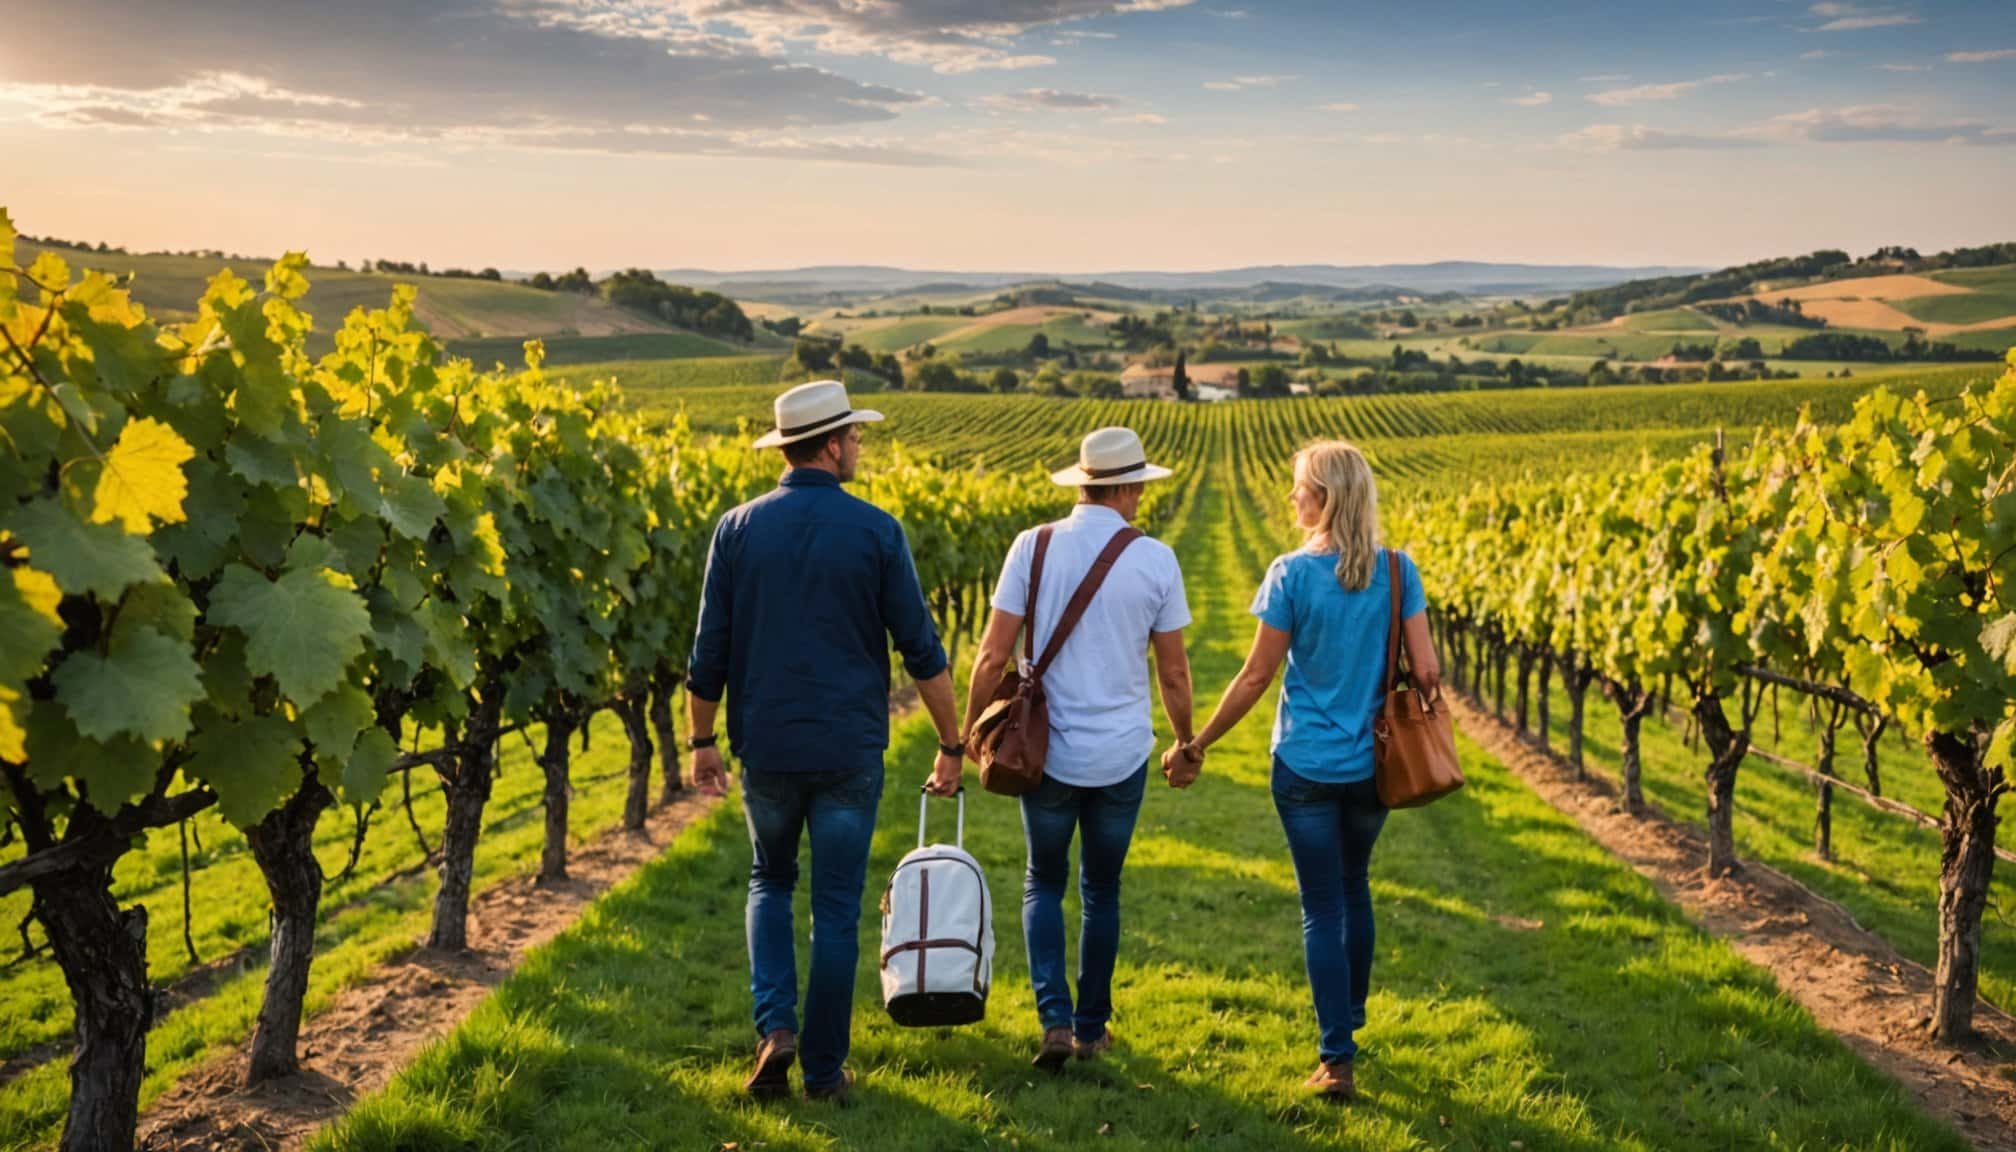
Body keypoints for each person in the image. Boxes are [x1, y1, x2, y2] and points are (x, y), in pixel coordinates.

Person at [687, 379, 968, 1105]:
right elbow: (922, 651)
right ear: (834, 444)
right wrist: (951, 741)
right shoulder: (877, 530)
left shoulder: (737, 528)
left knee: (769, 881)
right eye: (856, 437)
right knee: (837, 908)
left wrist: (701, 739)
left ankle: (774, 1028)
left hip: (768, 747)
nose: (860, 447)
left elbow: (708, 649)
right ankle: (822, 1070)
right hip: (848, 747)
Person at [1175, 439, 1440, 1102]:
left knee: (1322, 906)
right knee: (1355, 889)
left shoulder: (1291, 574)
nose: (1292, 497)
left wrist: (1197, 741)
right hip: (1371, 766)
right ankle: (1347, 1025)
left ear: (1323, 498)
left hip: (1303, 766)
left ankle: (1336, 1059)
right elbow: (1428, 671)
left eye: (1299, 487)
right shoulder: (1400, 572)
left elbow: (1256, 675)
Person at [933, 426, 1194, 1072]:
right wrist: (1186, 740)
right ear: (1128, 486)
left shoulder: (1033, 545)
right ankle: (1090, 1026)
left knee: (1042, 881)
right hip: (1122, 753)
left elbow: (993, 652)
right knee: (1101, 888)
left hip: (1043, 753)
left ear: (1081, 484)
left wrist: (968, 734)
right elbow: (1173, 674)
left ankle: (1052, 1019)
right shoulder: (1155, 559)